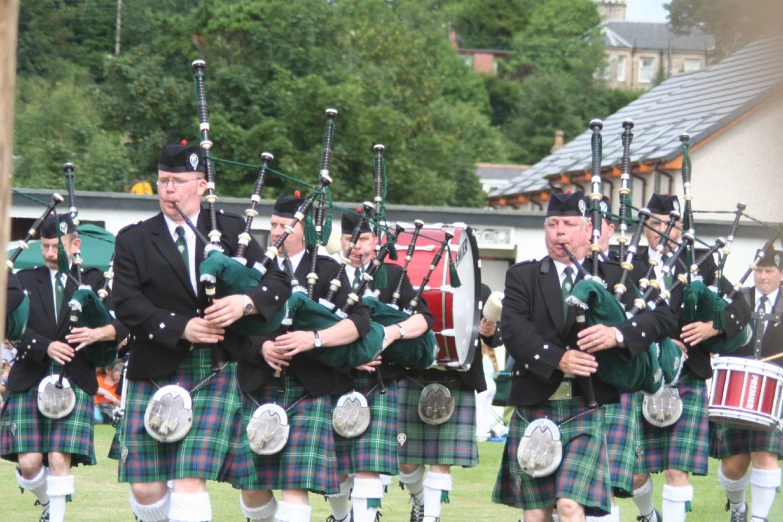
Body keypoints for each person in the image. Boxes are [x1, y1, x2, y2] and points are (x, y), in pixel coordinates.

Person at [111, 143, 291, 522]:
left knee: (188, 478)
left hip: (212, 367)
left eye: (178, 181)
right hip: (154, 365)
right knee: (146, 489)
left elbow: (277, 283)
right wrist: (182, 327)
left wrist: (246, 302)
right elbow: (125, 302)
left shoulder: (230, 231)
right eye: (163, 181)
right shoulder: (134, 239)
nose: (169, 189)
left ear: (202, 185)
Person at [492, 190, 671, 522]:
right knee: (535, 514)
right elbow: (515, 330)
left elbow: (661, 318)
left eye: (569, 224)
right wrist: (558, 359)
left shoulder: (614, 276)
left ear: (589, 229)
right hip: (537, 399)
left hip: (587, 404)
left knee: (570, 506)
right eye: (552, 224)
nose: (559, 232)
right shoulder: (524, 276)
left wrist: (616, 335)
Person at [235, 194, 372, 522]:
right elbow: (232, 321)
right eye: (273, 225)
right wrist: (261, 347)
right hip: (258, 382)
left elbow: (360, 322)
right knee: (252, 488)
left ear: (306, 230)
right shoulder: (255, 268)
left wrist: (315, 339)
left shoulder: (329, 271)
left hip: (309, 387)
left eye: (285, 225)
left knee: (295, 485)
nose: (277, 231)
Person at [630, 194, 751, 522]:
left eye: (670, 224)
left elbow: (741, 308)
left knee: (676, 470)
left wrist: (714, 327)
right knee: (634, 474)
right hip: (640, 375)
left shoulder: (702, 262)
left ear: (681, 227)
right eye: (654, 223)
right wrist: (661, 341)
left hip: (688, 377)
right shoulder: (628, 264)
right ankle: (647, 515)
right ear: (644, 228)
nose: (662, 230)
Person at [0, 213, 128, 522]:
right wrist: (45, 346)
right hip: (30, 376)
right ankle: (47, 503)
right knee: (29, 464)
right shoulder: (25, 279)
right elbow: (10, 326)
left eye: (55, 246)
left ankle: (54, 518)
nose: (48, 253)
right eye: (44, 246)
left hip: (75, 377)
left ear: (75, 244)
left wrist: (99, 332)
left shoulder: (97, 281)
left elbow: (124, 326)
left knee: (59, 457)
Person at [325, 212, 434, 522]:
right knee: (335, 466)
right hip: (333, 379)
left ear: (376, 241)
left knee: (367, 467)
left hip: (382, 381)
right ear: (341, 240)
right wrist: (351, 355)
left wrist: (392, 333)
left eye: (363, 240)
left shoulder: (392, 275)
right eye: (350, 240)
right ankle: (343, 516)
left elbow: (424, 320)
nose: (357, 247)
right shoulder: (328, 273)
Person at [710, 248, 783, 522]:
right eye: (759, 270)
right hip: (734, 390)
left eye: (770, 271)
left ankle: (759, 519)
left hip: (774, 393)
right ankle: (738, 507)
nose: (763, 277)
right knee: (734, 465)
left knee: (765, 454)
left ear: (781, 274)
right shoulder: (738, 299)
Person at [475, 283, 501, 442]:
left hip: (482, 382)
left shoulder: (484, 352)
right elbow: (497, 372)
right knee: (485, 410)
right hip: (491, 383)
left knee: (479, 410)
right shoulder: (490, 356)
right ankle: (484, 432)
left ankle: (481, 434)